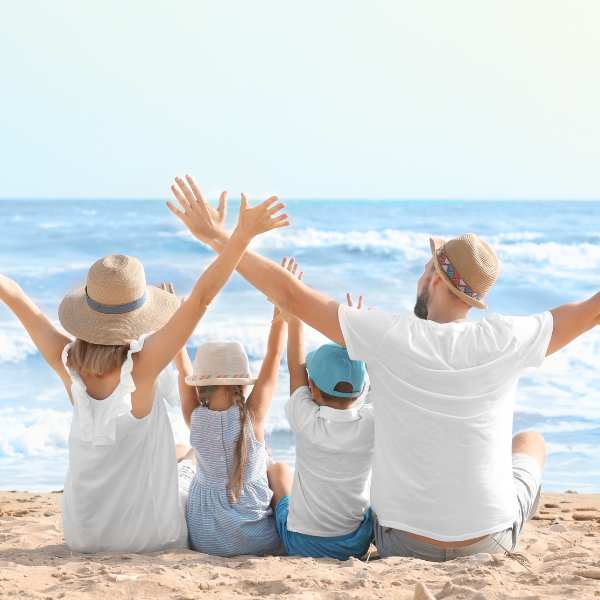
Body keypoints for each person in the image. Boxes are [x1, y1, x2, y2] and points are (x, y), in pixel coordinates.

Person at [167, 177, 599, 561]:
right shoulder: (509, 338)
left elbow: (291, 295)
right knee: (530, 442)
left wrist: (218, 237)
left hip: (401, 542)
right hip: (489, 542)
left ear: (432, 275)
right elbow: (589, 312)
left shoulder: (389, 336)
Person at [0, 186, 287, 553]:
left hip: (83, 535)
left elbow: (18, 299)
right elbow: (201, 298)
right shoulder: (142, 367)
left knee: (186, 450)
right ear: (136, 318)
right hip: (150, 536)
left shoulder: (66, 362)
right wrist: (240, 236)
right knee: (190, 460)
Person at [180, 263, 291, 557]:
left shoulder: (195, 418)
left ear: (199, 388)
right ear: (241, 384)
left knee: (188, 462)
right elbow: (274, 356)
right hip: (258, 539)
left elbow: (181, 369)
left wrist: (177, 327)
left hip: (205, 538)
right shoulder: (251, 416)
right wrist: (280, 313)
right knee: (276, 467)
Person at [270, 265, 374, 561]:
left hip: (302, 544)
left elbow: (295, 368)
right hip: (356, 543)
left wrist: (293, 317)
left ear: (312, 388)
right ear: (362, 390)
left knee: (278, 472)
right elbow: (378, 377)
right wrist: (358, 338)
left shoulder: (307, 420)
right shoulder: (372, 423)